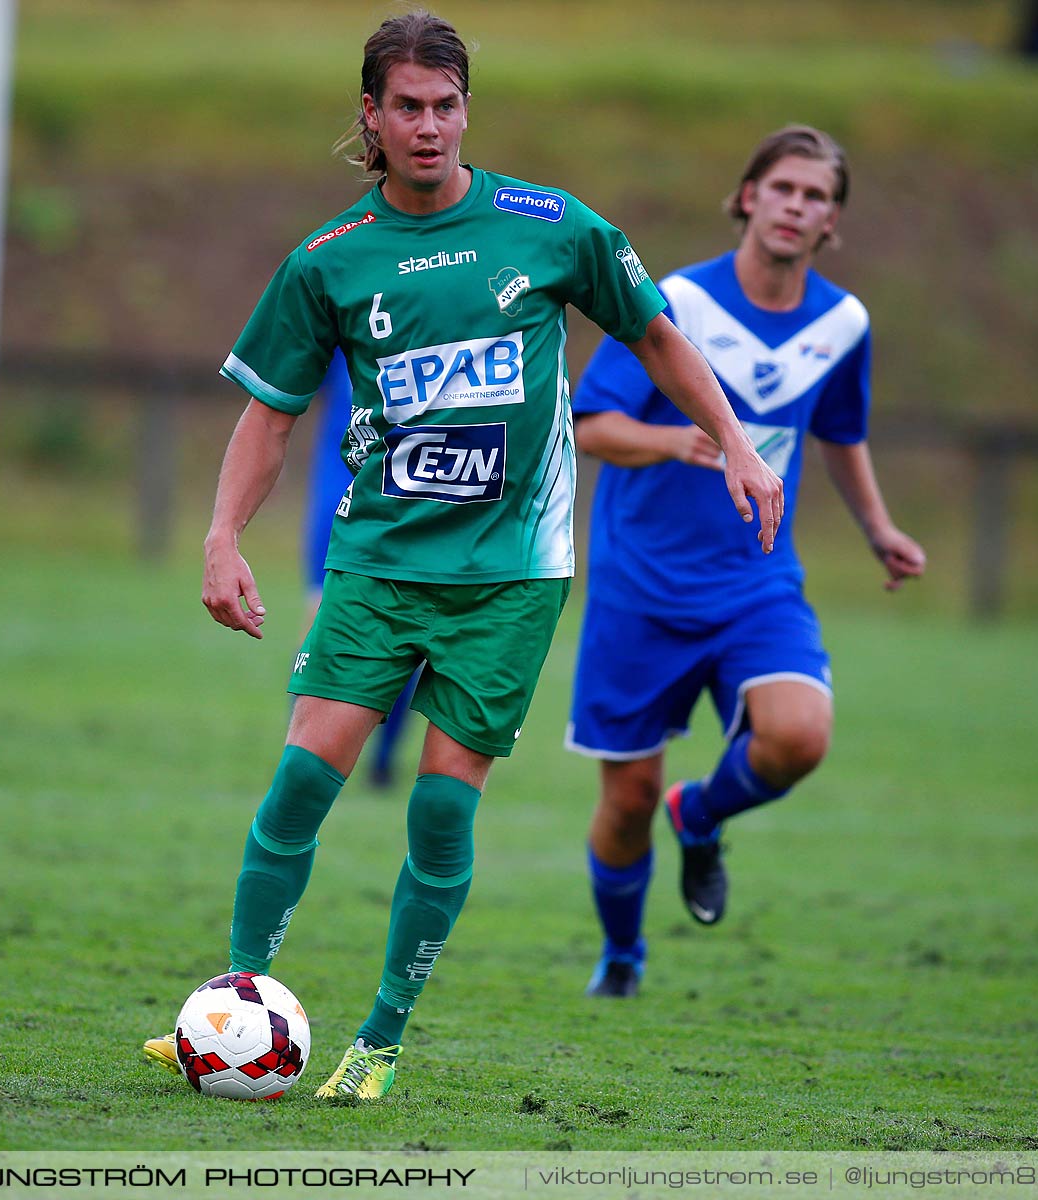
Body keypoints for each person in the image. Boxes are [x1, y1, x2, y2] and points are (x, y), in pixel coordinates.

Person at [142, 11, 782, 1101]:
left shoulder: (551, 226)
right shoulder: (329, 262)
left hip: (512, 575)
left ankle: (380, 1042)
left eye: (446, 106)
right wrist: (221, 536)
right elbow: (270, 415)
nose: (429, 126)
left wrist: (733, 444)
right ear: (371, 118)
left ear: (466, 111)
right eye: (407, 107)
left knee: (442, 808)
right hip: (382, 560)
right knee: (302, 780)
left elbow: (659, 337)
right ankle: (229, 1012)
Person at [564, 126, 925, 998]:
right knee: (626, 802)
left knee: (800, 735)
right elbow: (588, 427)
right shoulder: (675, 303)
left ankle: (706, 812)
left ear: (832, 219)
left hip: (755, 581)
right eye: (784, 188)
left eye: (818, 197)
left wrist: (878, 526)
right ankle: (622, 955)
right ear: (748, 196)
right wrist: (674, 439)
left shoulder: (842, 323)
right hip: (641, 586)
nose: (798, 206)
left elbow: (840, 431)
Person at [298, 348, 416, 789]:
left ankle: (382, 762)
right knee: (321, 620)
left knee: (408, 628)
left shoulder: (435, 314)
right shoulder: (341, 304)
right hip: (338, 486)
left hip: (410, 493)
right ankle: (305, 756)